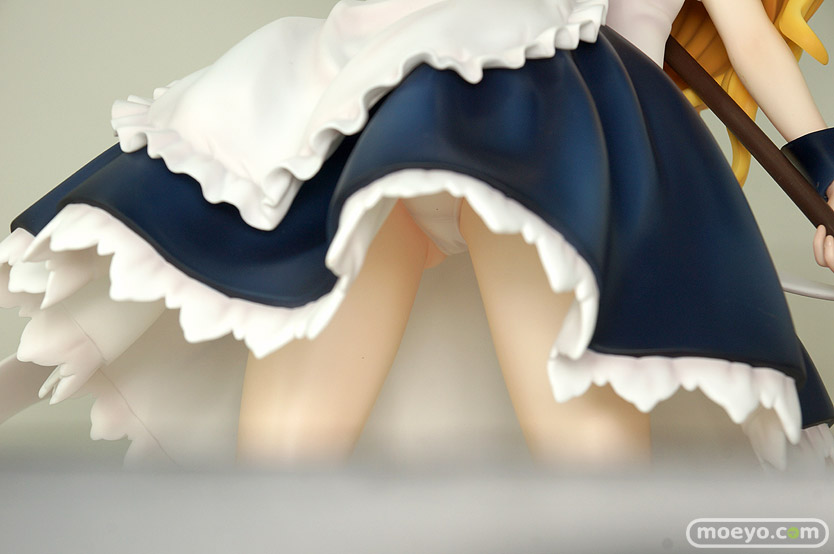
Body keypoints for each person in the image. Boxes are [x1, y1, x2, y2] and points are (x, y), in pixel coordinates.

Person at [1, 0, 833, 469]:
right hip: (397, 100)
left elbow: (752, 41)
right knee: (284, 461)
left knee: (588, 448)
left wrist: (826, 176)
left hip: (553, 128)